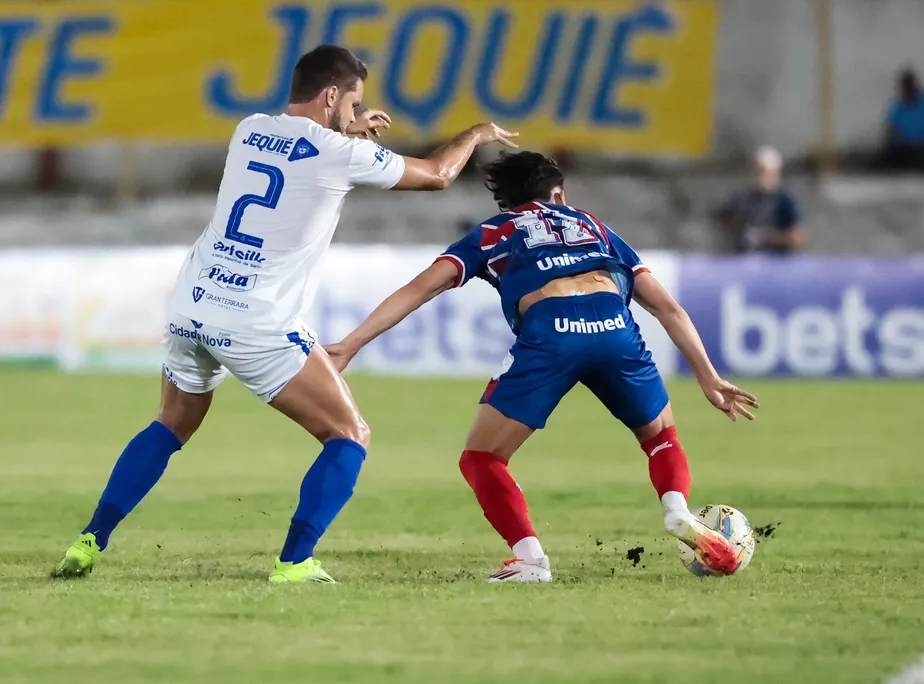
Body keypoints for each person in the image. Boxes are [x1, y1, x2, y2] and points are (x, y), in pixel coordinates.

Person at [50, 45, 518, 583]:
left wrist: (344, 132)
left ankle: (90, 541)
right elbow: (437, 174)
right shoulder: (339, 151)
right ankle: (295, 563)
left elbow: (302, 158)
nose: (355, 113)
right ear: (331, 96)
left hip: (195, 300)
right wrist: (476, 133)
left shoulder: (249, 128)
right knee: (349, 435)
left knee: (171, 423)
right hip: (256, 319)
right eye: (353, 102)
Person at [325, 151, 759, 583]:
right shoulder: (591, 225)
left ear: (508, 202)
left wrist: (352, 343)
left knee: (482, 458)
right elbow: (668, 307)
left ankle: (530, 559)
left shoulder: (493, 232)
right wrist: (708, 374)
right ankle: (677, 510)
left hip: (552, 332)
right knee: (661, 438)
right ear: (558, 194)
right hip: (614, 324)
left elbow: (418, 288)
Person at [715, 145, 804, 254]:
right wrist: (738, 230)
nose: (761, 176)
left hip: (776, 263)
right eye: (758, 171)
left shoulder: (786, 200)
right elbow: (722, 220)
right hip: (744, 262)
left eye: (765, 172)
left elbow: (796, 238)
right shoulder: (742, 198)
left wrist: (764, 238)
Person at [877, 68, 924, 171]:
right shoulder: (898, 107)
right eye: (905, 87)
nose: (908, 89)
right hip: (905, 148)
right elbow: (891, 130)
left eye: (910, 86)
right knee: (881, 162)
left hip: (921, 147)